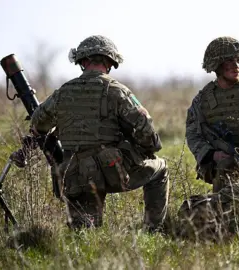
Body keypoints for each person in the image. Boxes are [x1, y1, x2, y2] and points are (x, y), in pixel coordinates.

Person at [29, 35, 169, 232]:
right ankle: (152, 231)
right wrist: (145, 150)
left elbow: (38, 122)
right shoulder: (117, 90)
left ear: (82, 62)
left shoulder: (62, 92)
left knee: (84, 232)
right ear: (110, 62)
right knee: (161, 168)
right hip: (111, 172)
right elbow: (146, 130)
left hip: (73, 174)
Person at [185, 36, 239, 193]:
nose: (236, 65)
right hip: (220, 163)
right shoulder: (203, 100)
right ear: (216, 65)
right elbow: (192, 133)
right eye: (229, 61)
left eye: (238, 60)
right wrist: (212, 154)